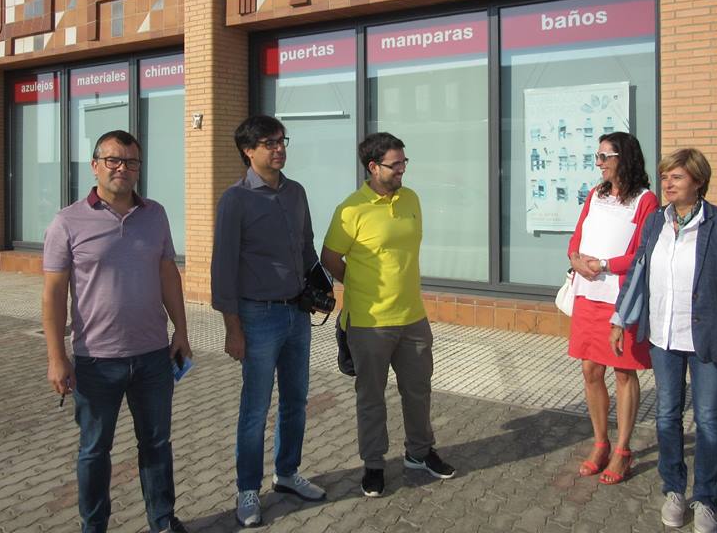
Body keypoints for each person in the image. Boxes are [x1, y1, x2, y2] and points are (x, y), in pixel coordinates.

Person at [42, 130, 191, 533]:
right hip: (96, 360)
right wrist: (57, 357)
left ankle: (162, 520)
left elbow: (168, 274)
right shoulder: (67, 221)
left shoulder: (155, 214)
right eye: (113, 160)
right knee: (94, 451)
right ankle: (94, 526)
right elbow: (53, 294)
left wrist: (181, 331)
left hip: (152, 356)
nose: (122, 168)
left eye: (131, 162)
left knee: (157, 444)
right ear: (95, 166)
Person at [610, 148, 717, 533]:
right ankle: (674, 489)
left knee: (708, 419)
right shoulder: (655, 223)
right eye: (665, 177)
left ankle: (706, 498)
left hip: (708, 337)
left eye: (676, 177)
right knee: (667, 415)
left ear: (698, 181)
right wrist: (620, 319)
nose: (667, 184)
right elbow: (638, 273)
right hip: (662, 336)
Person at [321, 132, 455, 498]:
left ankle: (420, 453)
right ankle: (374, 465)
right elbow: (329, 257)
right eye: (395, 165)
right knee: (371, 397)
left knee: (418, 390)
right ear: (373, 167)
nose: (402, 170)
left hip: (413, 317)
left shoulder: (411, 199)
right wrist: (359, 283)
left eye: (404, 162)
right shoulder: (351, 210)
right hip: (369, 323)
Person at [211, 115, 325, 528]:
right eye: (269, 143)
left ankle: (287, 472)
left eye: (281, 141)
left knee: (296, 400)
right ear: (248, 151)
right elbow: (223, 267)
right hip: (257, 316)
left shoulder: (296, 192)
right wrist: (232, 328)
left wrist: (319, 285)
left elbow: (307, 246)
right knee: (255, 408)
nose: (279, 149)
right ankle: (247, 488)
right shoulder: (236, 200)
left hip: (297, 314)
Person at [567, 132, 659, 485]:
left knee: (623, 372)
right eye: (598, 156)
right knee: (590, 369)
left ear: (625, 158)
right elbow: (577, 236)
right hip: (587, 294)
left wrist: (604, 265)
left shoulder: (646, 200)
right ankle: (600, 443)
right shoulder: (595, 194)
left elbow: (642, 253)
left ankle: (622, 449)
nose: (599, 162)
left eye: (605, 156)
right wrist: (576, 259)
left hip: (620, 299)